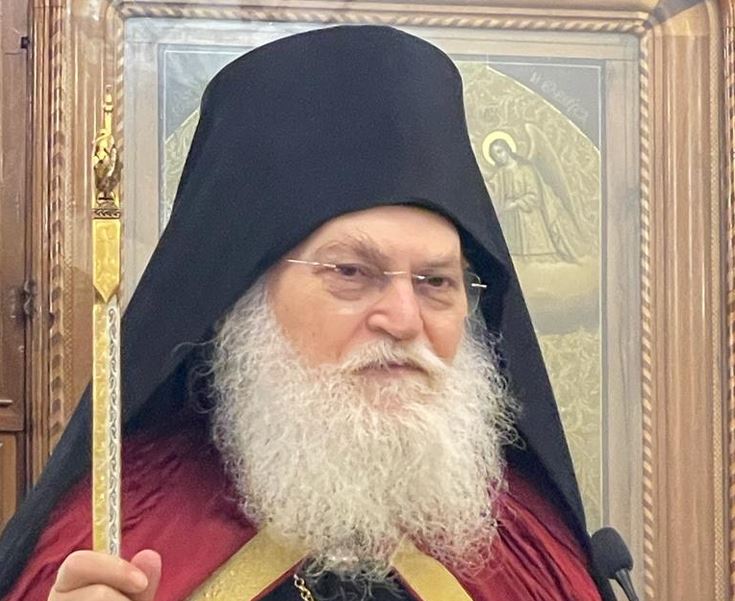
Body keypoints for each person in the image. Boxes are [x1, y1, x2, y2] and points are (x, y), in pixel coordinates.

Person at [0, 26, 615, 601]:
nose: (405, 320)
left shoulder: (528, 548)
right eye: (351, 273)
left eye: (436, 282)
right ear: (242, 301)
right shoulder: (116, 532)